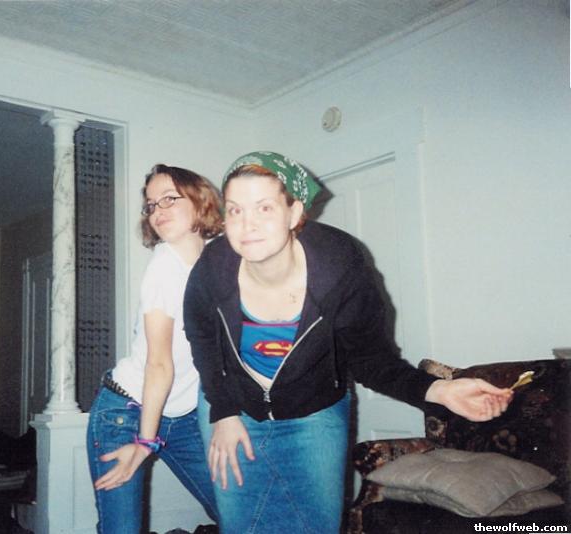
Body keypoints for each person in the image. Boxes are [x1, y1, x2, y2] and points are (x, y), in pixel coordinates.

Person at [183, 151, 513, 534]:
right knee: (242, 526)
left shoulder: (341, 265)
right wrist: (223, 412)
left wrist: (439, 390)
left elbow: (371, 359)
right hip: (233, 408)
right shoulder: (213, 266)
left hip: (315, 412)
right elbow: (201, 338)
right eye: (235, 210)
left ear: (294, 212)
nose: (247, 225)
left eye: (264, 208)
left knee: (316, 527)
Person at [86, 164, 221, 534]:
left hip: (184, 415)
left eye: (169, 199)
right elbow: (159, 364)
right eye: (150, 204)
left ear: (200, 201)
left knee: (240, 511)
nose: (157, 210)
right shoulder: (164, 268)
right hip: (127, 413)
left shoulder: (216, 260)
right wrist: (146, 441)